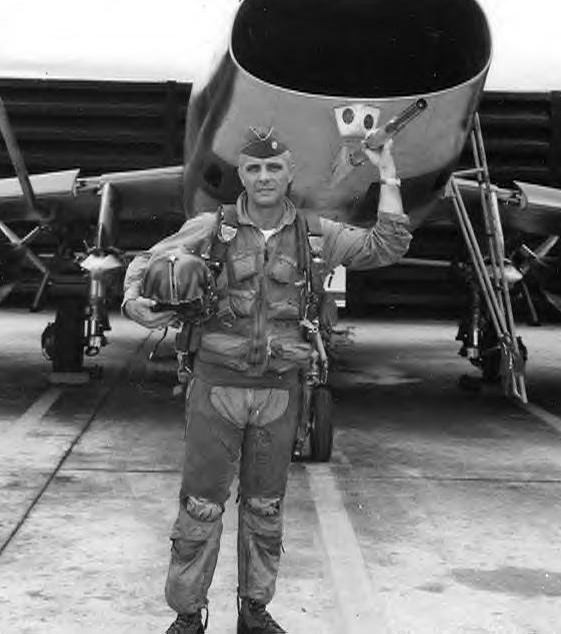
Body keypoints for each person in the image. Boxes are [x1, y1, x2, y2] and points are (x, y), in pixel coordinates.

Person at [123, 127, 412, 634]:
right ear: (241, 175)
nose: (263, 178)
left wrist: (387, 172)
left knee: (265, 507)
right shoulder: (211, 229)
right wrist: (134, 301)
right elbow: (145, 262)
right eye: (254, 169)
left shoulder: (317, 234)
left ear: (289, 173)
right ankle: (188, 616)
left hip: (280, 391)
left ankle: (254, 612)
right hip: (217, 387)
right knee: (200, 506)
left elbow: (387, 244)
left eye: (273, 168)